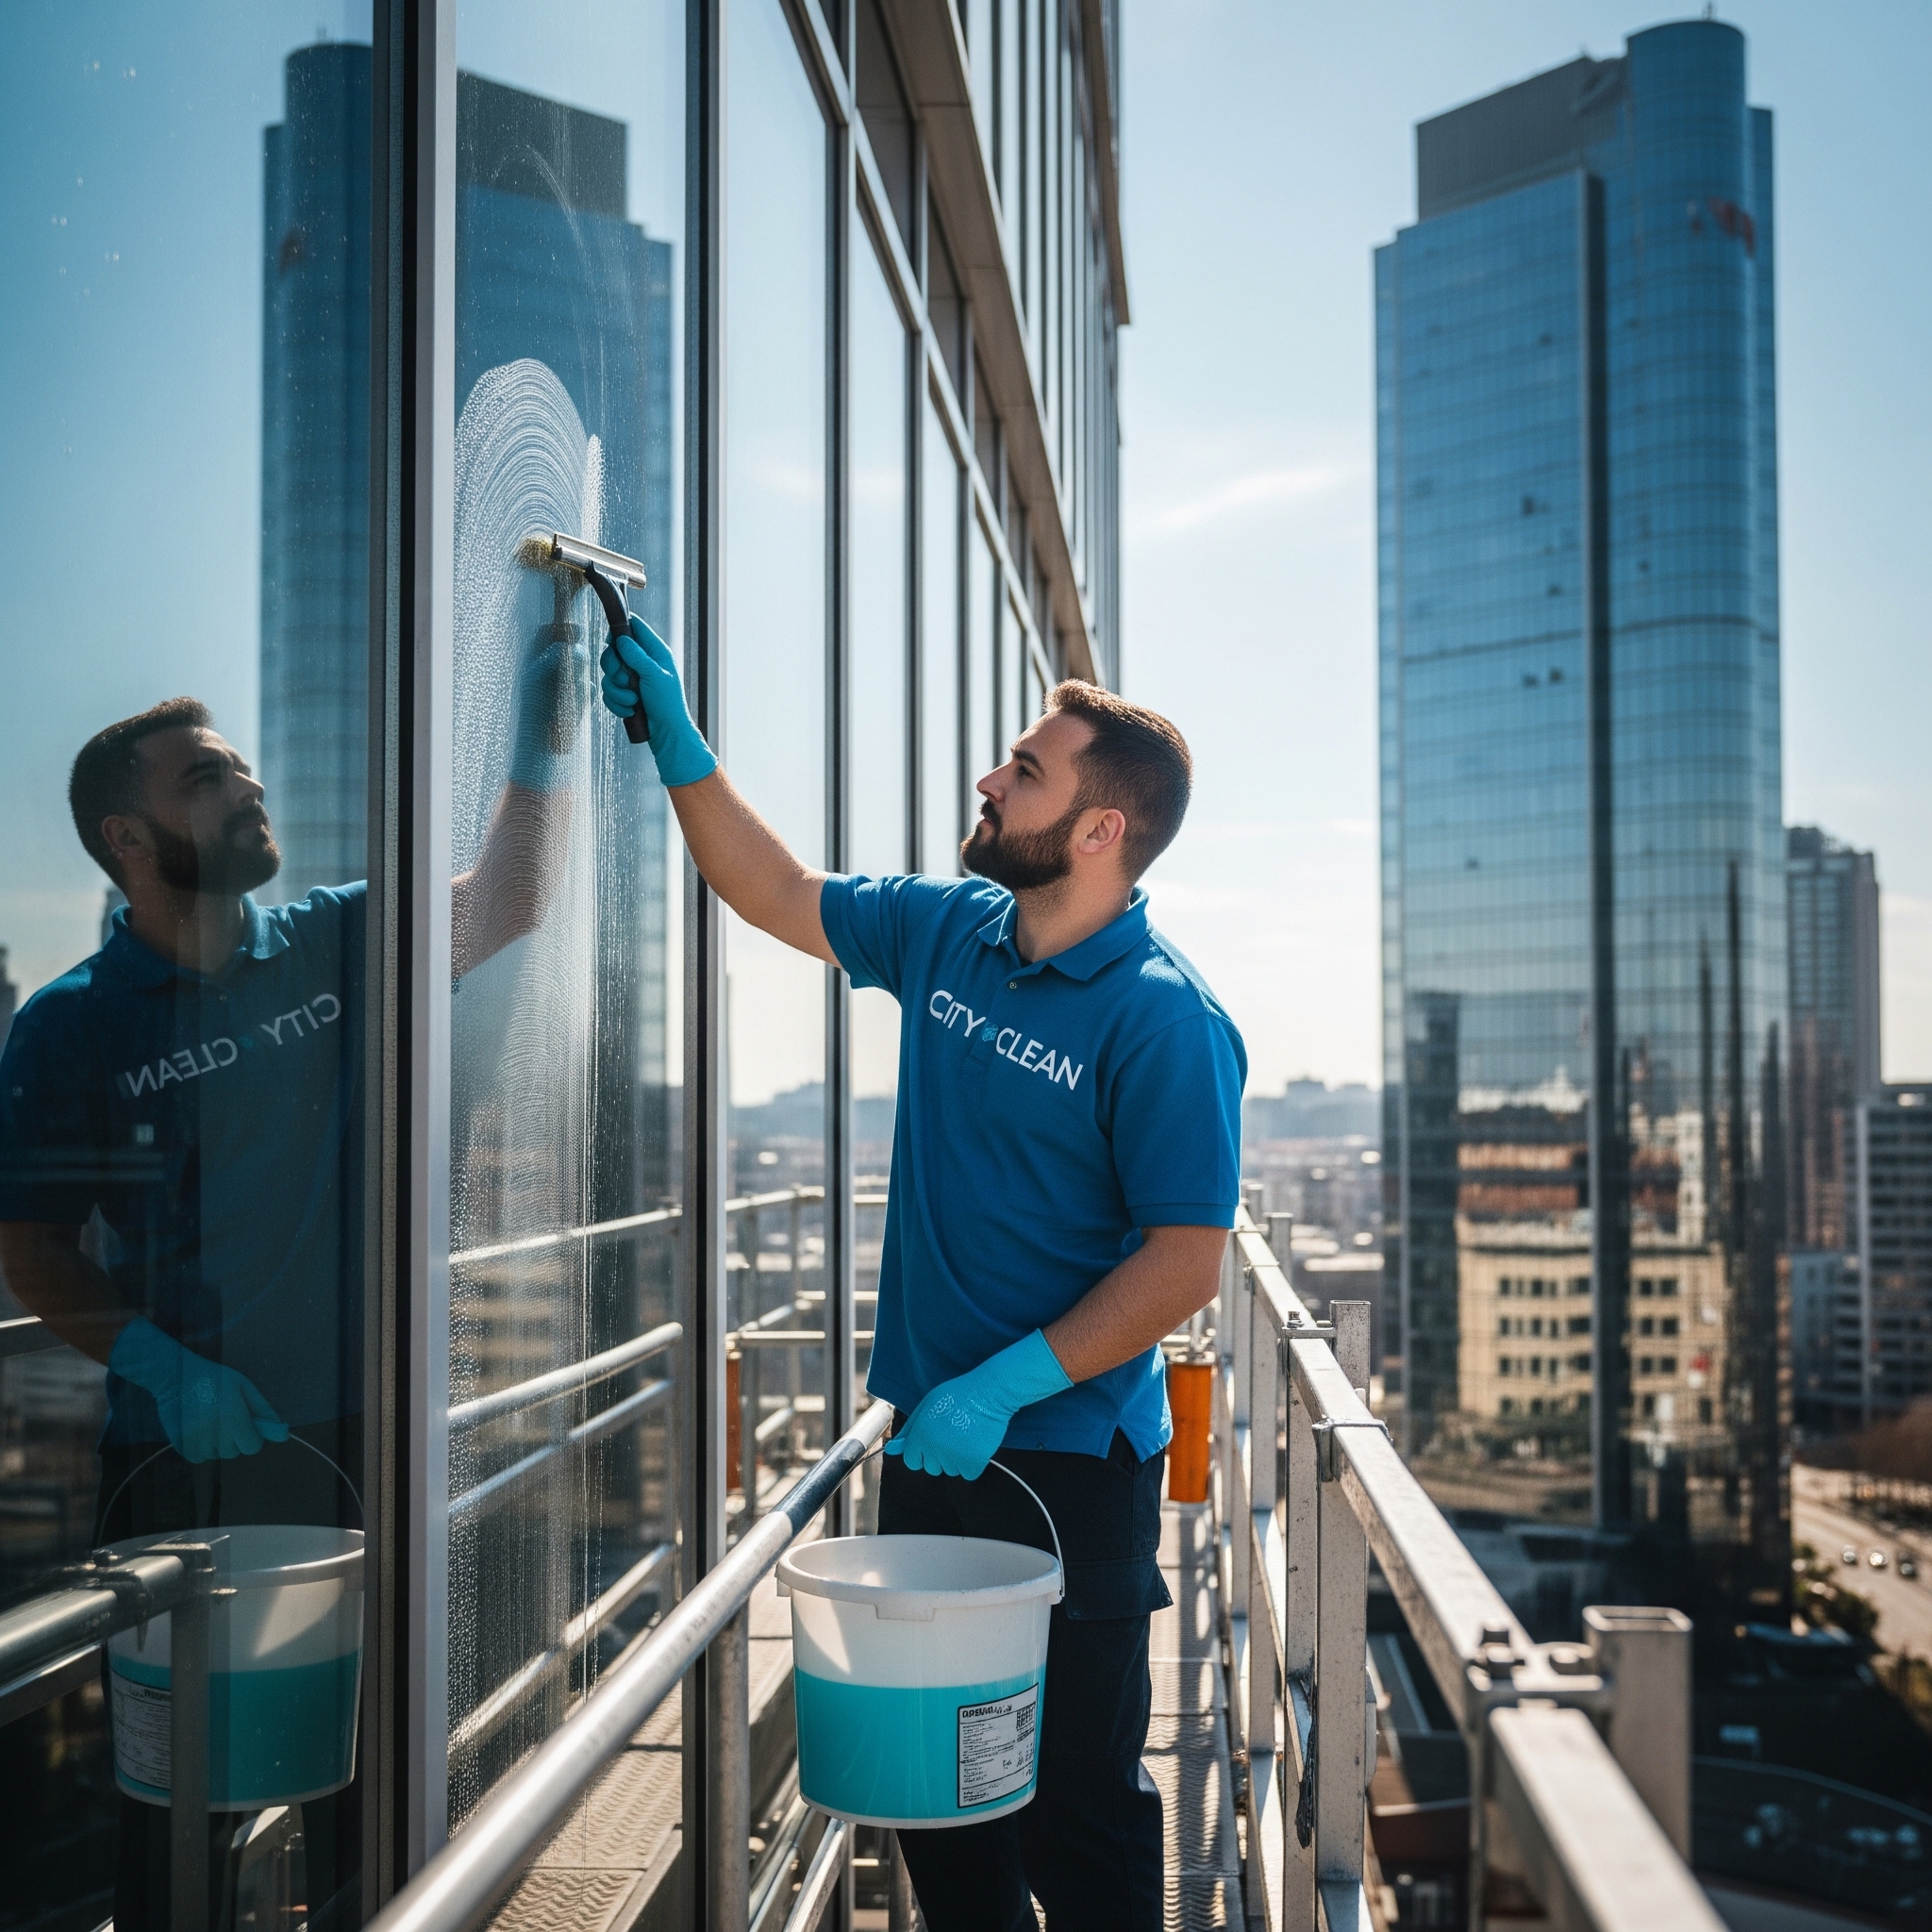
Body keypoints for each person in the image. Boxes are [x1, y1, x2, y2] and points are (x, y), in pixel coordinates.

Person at [601, 619, 1243, 1930]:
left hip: (1066, 1473)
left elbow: (1187, 1259)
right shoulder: (953, 931)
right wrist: (678, 743)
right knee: (944, 1805)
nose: (990, 781)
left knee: (1076, 1814)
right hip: (933, 1458)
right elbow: (777, 893)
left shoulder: (1165, 1018)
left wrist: (1006, 1383)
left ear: (1100, 831)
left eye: (1026, 770)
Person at [0, 630, 587, 1930]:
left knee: (364, 1800)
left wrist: (541, 735)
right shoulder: (77, 1022)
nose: (248, 785)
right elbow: (28, 1242)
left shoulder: (334, 939)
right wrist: (160, 1364)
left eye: (242, 766)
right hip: (182, 1462)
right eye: (207, 777)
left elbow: (511, 897)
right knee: (179, 1808)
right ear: (130, 839)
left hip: (359, 1443)